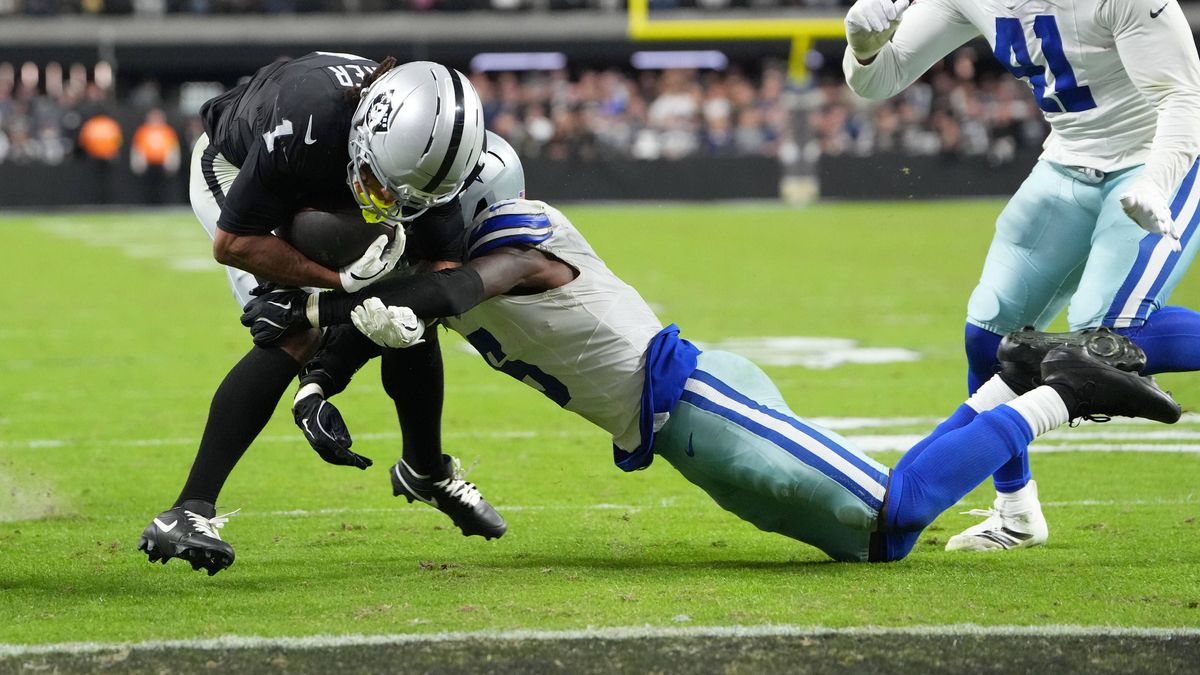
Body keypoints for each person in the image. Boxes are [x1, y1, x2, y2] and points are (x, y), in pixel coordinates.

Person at [240, 197, 1182, 563]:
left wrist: (338, 302)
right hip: (679, 435)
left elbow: (460, 287)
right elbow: (398, 309)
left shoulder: (517, 238)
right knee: (880, 539)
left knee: (892, 517)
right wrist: (321, 372)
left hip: (696, 397)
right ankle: (1008, 382)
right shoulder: (437, 260)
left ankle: (1060, 393)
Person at [840, 0, 1200, 551]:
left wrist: (1157, 180)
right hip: (1067, 160)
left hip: (1159, 157)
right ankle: (1016, 513)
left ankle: (959, 485)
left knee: (1098, 340)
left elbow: (1184, 97)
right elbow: (881, 77)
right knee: (990, 335)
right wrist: (864, 48)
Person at [138, 53, 498, 576]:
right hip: (239, 165)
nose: (393, 204)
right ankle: (187, 511)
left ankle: (425, 468)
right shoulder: (304, 120)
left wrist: (332, 371)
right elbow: (234, 243)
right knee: (292, 328)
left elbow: (438, 286)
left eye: (412, 197)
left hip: (330, 166)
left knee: (413, 314)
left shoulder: (438, 159)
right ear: (371, 132)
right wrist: (339, 286)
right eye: (386, 183)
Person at [129, 108, 181, 204]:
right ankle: (147, 205)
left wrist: (173, 161)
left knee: (163, 187)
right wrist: (137, 161)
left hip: (162, 163)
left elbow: (173, 147)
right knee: (147, 187)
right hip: (148, 163)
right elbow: (137, 147)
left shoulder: (167, 131)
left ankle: (163, 205)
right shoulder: (143, 131)